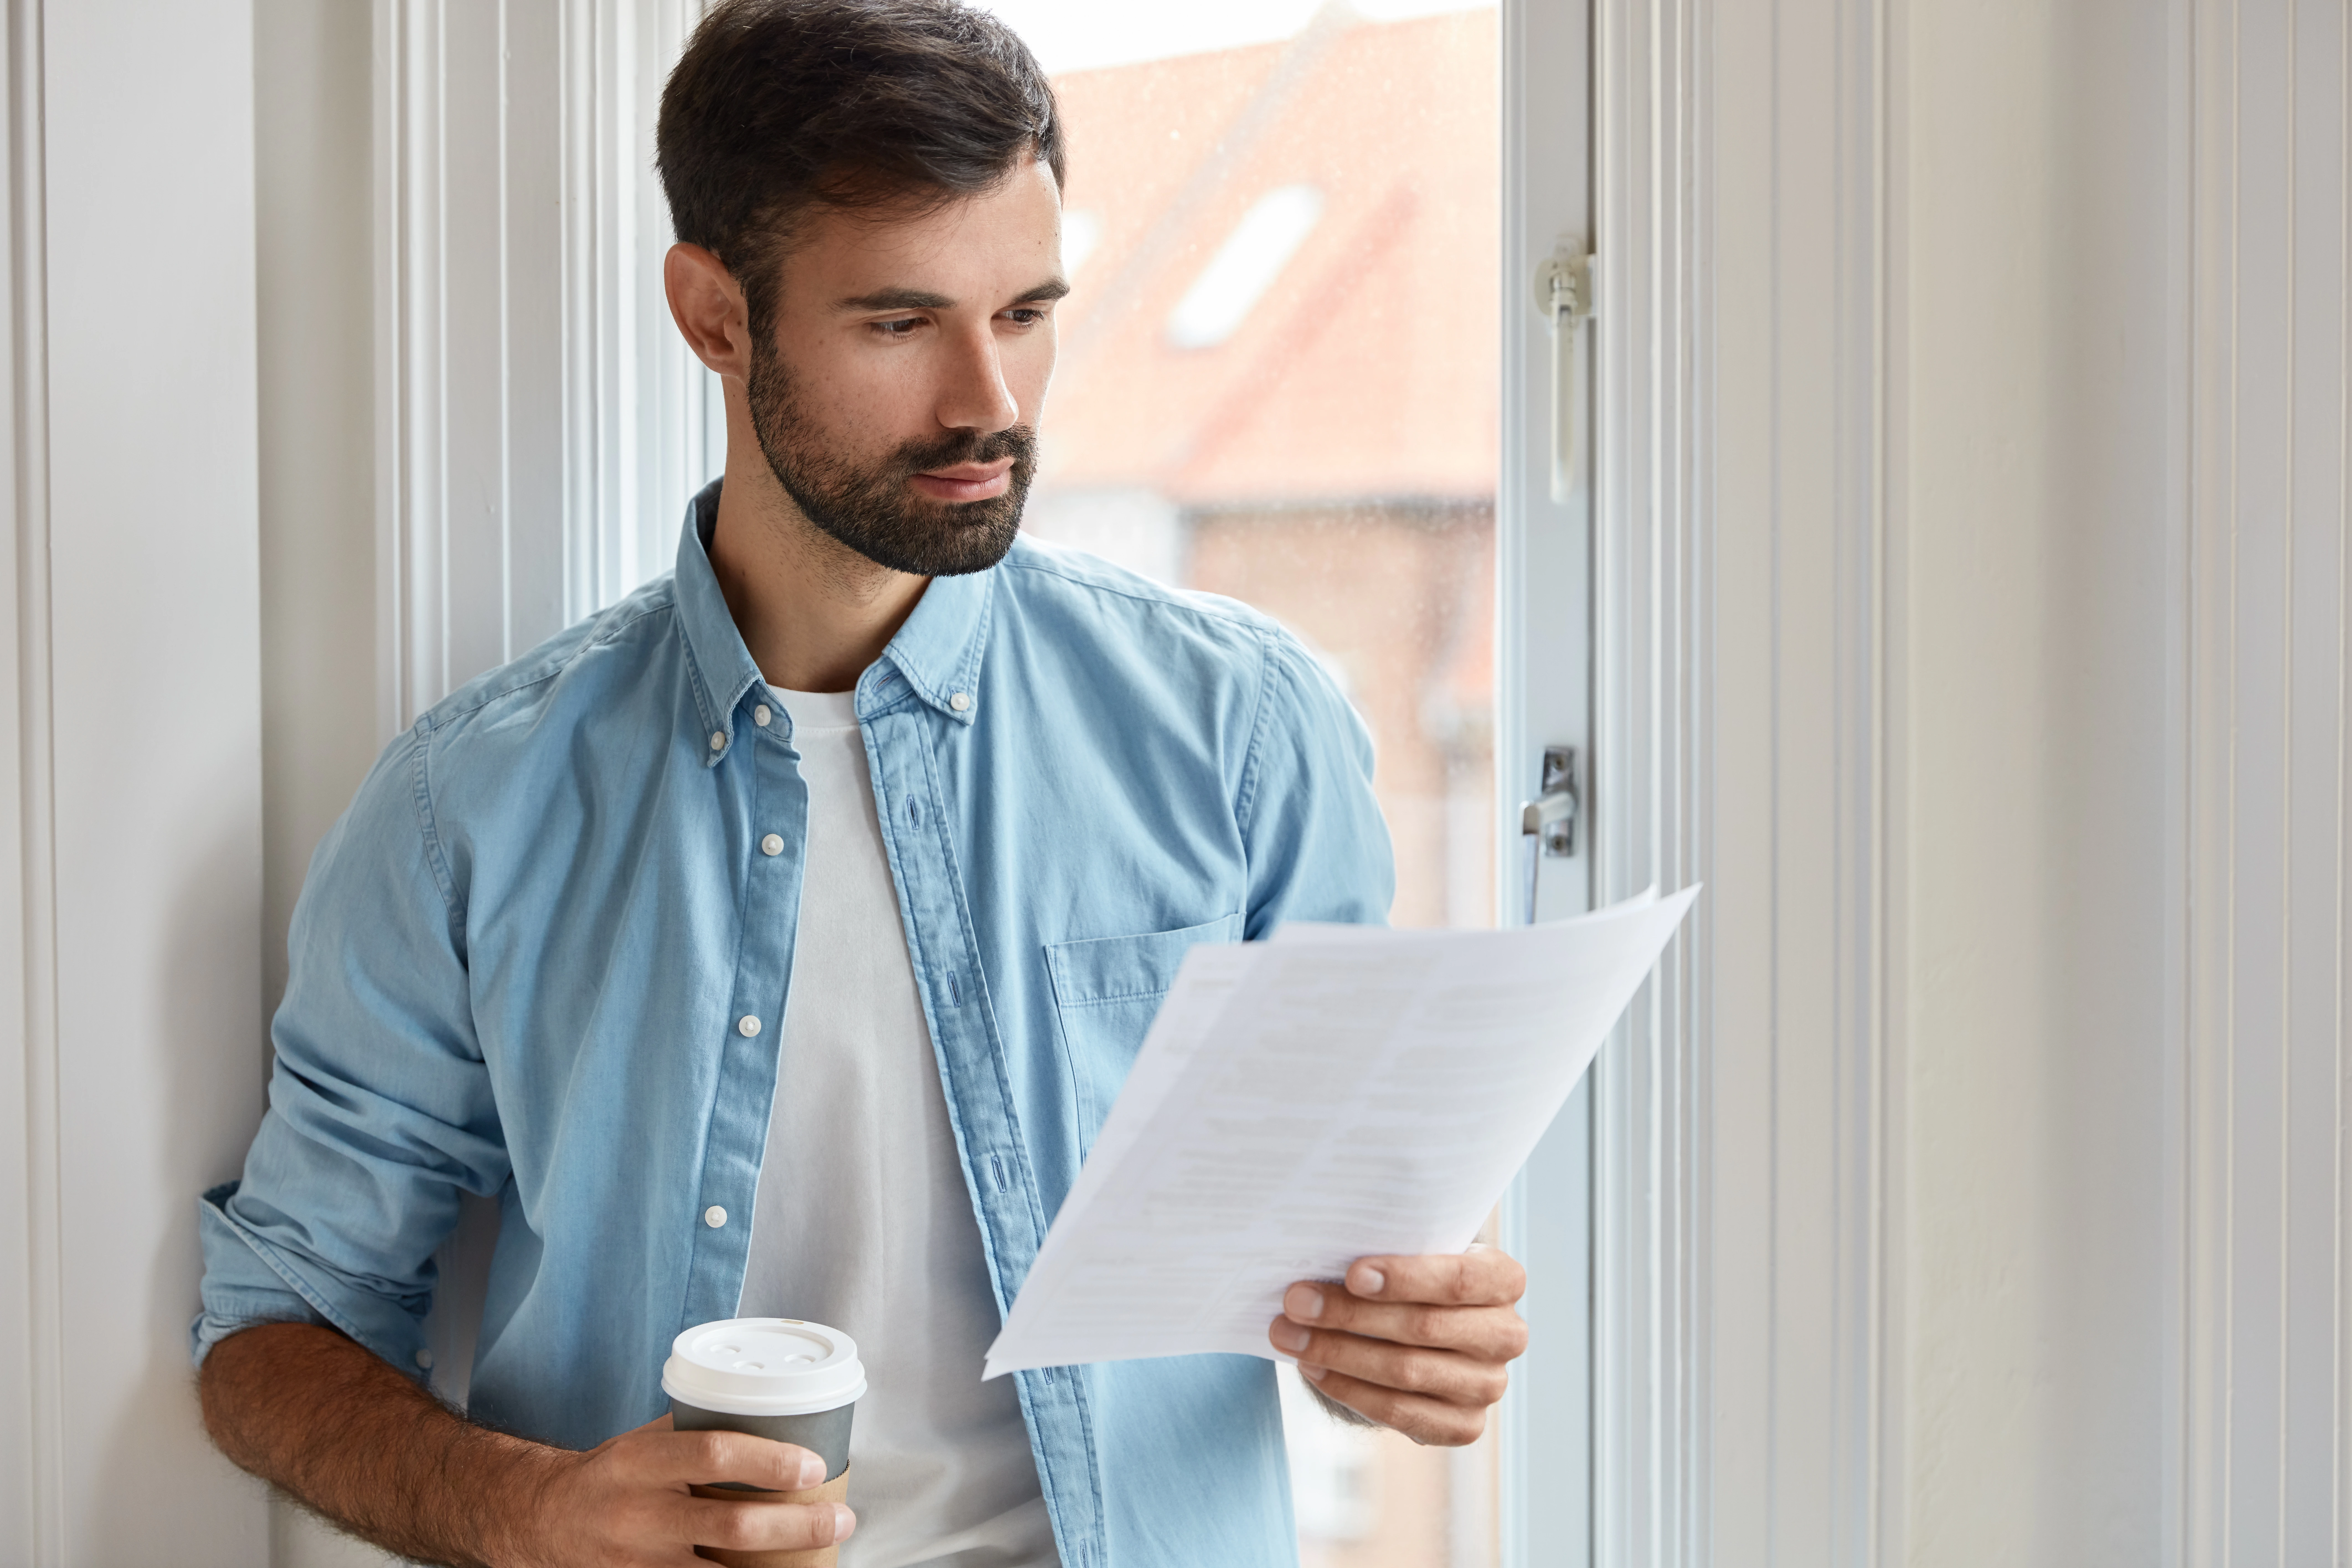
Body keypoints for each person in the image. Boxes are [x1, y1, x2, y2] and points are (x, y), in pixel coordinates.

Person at [192, 2, 1529, 1563]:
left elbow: (1350, 1258)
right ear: (713, 315)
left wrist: (1404, 1344)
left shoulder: (1242, 728)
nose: (992, 403)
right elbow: (272, 1331)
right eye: (900, 324)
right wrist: (535, 1510)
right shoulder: (467, 810)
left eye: (1026, 310)